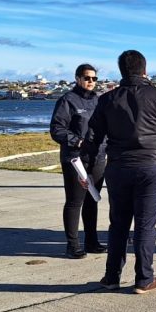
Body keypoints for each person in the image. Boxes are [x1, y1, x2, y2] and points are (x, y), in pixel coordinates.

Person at [85, 50, 156, 294]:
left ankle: (112, 276)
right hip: (152, 165)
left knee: (118, 224)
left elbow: (92, 137)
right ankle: (144, 278)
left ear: (121, 71)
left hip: (119, 166)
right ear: (145, 70)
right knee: (145, 225)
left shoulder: (107, 99)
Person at [49, 63, 107, 259]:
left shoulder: (99, 101)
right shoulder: (68, 100)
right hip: (75, 159)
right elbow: (57, 129)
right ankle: (72, 245)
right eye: (87, 78)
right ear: (77, 78)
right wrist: (77, 141)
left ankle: (91, 241)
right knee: (75, 201)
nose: (91, 81)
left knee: (93, 200)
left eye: (94, 79)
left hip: (97, 158)